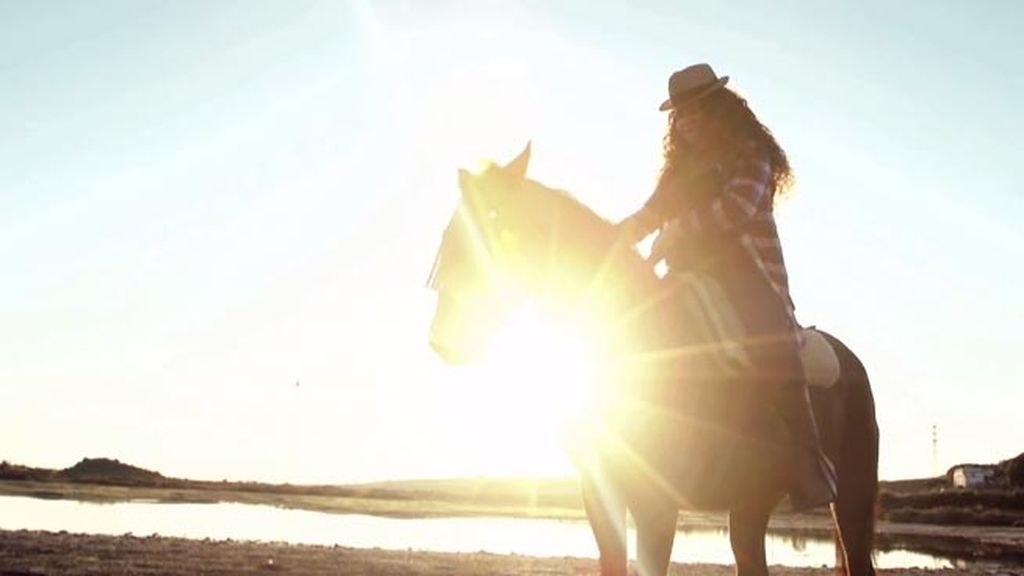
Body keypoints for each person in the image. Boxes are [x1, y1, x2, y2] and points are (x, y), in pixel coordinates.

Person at [617, 63, 837, 508]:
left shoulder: (750, 152)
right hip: (686, 273)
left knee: (772, 344)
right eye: (680, 114)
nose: (687, 121)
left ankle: (809, 465)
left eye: (696, 110)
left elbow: (738, 208)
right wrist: (613, 237)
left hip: (746, 274)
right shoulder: (679, 169)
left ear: (719, 106)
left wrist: (682, 228)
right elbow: (652, 211)